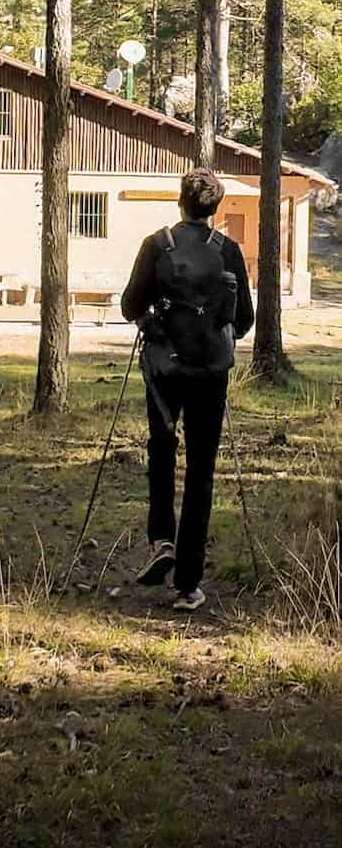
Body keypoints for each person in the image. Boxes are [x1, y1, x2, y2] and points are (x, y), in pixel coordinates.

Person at [121, 168, 254, 611]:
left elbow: (128, 306)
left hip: (164, 368)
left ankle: (162, 540)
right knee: (201, 471)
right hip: (211, 372)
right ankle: (189, 584)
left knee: (161, 450)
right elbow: (246, 320)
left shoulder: (158, 245)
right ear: (215, 208)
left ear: (181, 202)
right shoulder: (228, 250)